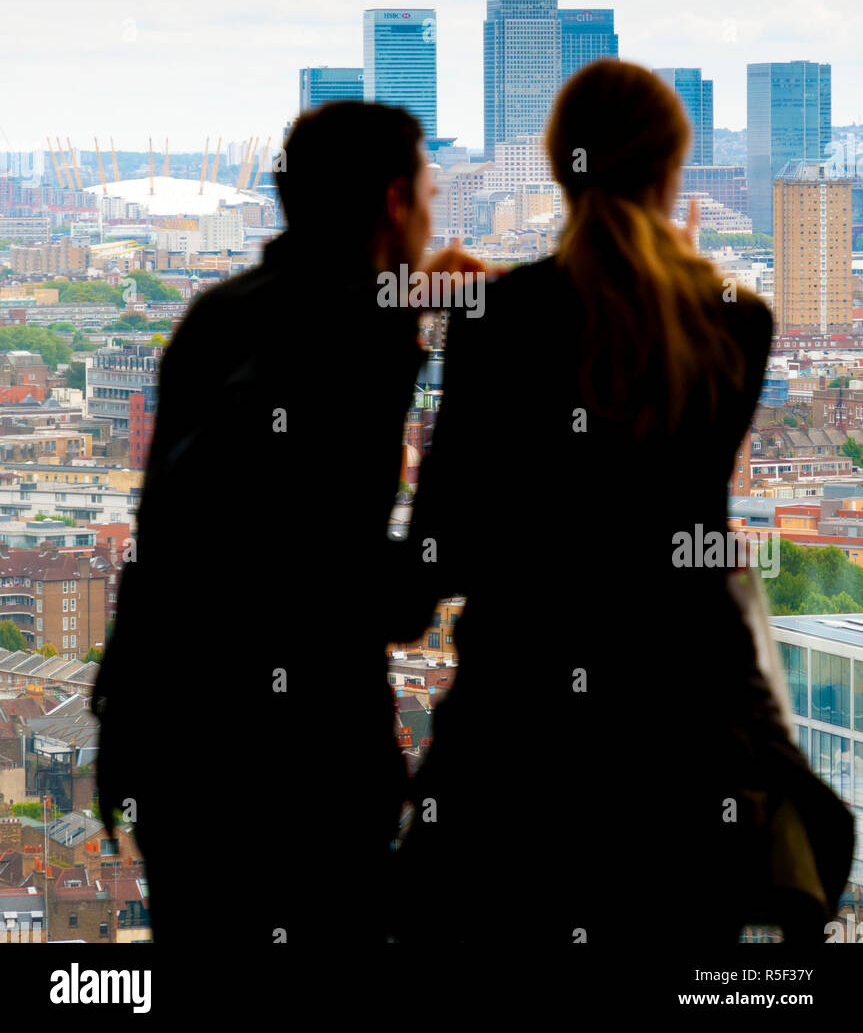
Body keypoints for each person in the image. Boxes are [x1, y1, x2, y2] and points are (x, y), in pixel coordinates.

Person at [395, 60, 854, 949]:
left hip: (517, 744)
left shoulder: (498, 321)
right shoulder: (736, 326)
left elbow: (434, 562)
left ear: (561, 171)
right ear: (674, 171)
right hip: (681, 745)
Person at [93, 99, 479, 953]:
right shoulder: (365, 341)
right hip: (303, 767)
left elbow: (176, 543)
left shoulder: (216, 316)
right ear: (391, 202)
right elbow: (370, 586)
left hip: (176, 747)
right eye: (427, 191)